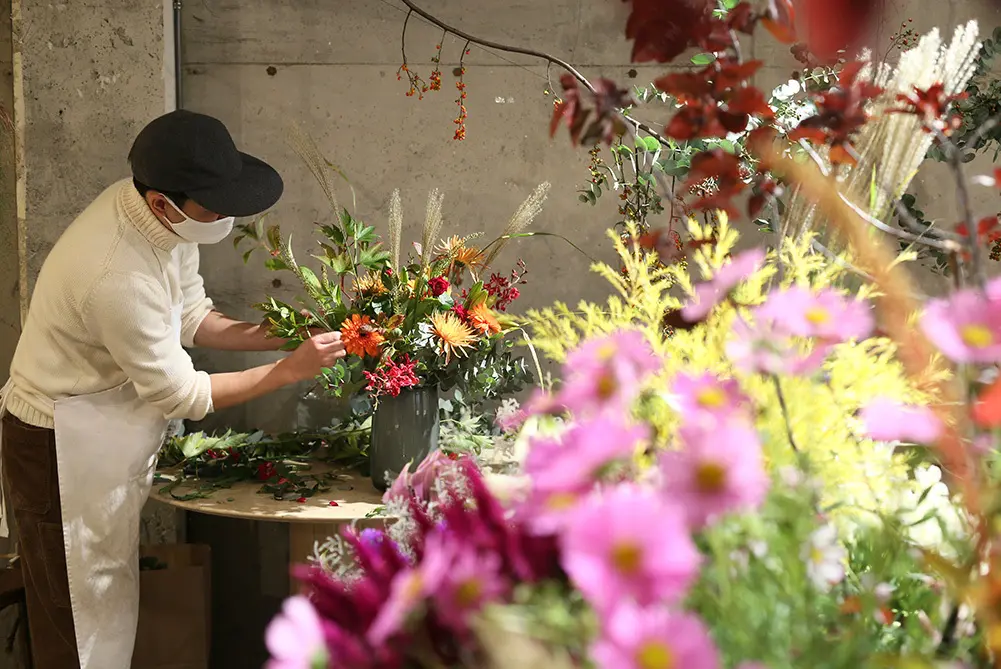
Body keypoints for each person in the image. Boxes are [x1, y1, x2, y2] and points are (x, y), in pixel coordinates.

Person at [0, 110, 346, 669]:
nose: (224, 216)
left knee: (105, 603)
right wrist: (290, 370)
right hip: (54, 443)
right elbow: (182, 395)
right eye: (213, 206)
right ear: (163, 201)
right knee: (76, 625)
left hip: (95, 428)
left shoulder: (161, 218)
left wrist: (280, 335)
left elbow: (190, 317)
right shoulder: (116, 274)